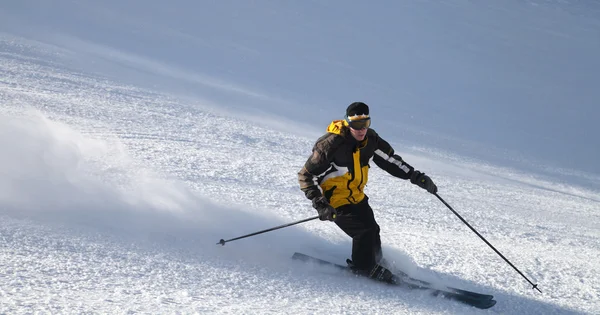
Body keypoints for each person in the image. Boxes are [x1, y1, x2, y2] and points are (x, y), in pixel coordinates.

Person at [298, 102, 438, 279]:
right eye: (356, 124)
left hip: (356, 196)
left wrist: (416, 177)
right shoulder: (331, 145)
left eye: (365, 123)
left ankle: (375, 261)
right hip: (334, 199)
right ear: (348, 123)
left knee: (373, 229)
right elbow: (306, 176)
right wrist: (320, 204)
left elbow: (391, 161)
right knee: (364, 231)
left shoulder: (370, 141)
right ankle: (363, 267)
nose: (361, 129)